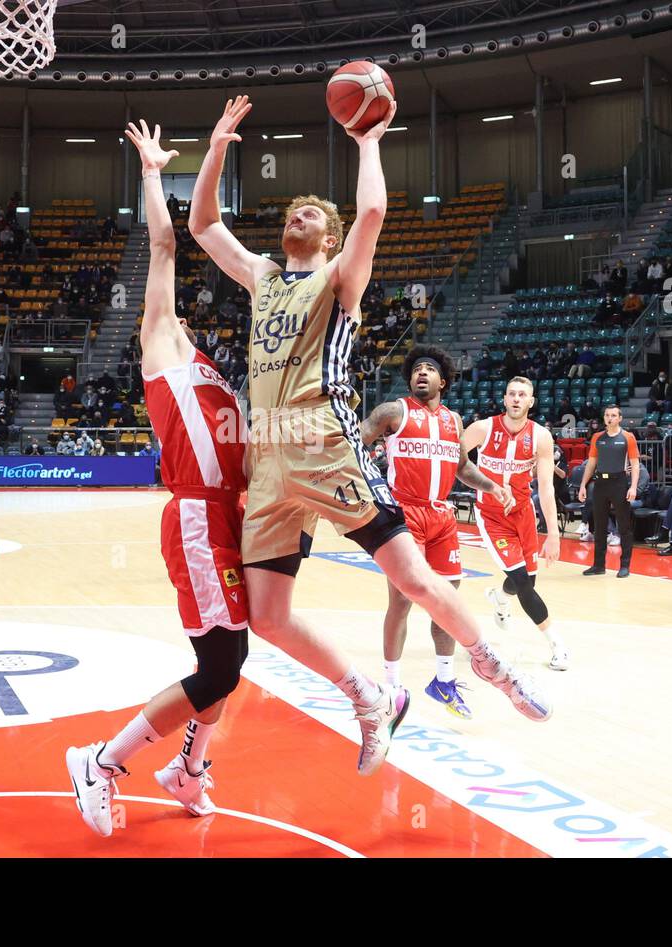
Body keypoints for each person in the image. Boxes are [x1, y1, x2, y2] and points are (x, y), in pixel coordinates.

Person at [189, 95, 551, 775]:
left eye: (315, 215)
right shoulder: (265, 277)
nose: (298, 216)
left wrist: (367, 139)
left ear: (329, 238)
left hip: (325, 442)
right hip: (267, 461)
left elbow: (375, 214)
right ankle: (368, 694)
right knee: (266, 616)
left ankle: (493, 664)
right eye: (293, 212)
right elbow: (204, 222)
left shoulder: (339, 279)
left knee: (410, 575)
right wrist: (212, 149)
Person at [66, 120, 250, 837]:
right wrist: (154, 174)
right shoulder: (159, 343)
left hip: (228, 519)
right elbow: (167, 244)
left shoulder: (210, 368)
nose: (177, 309)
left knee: (231, 658)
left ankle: (189, 769)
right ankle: (103, 762)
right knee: (217, 668)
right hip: (199, 520)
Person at [358, 345, 517, 719]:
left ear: (443, 380)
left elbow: (462, 468)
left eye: (429, 369)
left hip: (442, 516)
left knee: (447, 600)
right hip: (404, 515)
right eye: (416, 370)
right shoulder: (393, 412)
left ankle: (443, 681)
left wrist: (493, 486)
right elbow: (355, 444)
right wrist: (368, 486)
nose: (422, 373)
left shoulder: (453, 420)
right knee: (401, 601)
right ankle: (392, 688)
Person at [462, 377, 568, 671]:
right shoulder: (483, 428)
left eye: (523, 395)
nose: (517, 399)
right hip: (491, 515)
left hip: (523, 513)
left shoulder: (541, 437)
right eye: (512, 394)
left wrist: (554, 534)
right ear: (505, 399)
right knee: (522, 581)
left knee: (527, 581)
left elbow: (546, 488)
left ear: (531, 401)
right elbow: (452, 459)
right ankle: (556, 643)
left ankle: (499, 597)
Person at [576, 405, 639, 578]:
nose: (609, 418)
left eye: (613, 415)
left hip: (619, 482)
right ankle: (598, 565)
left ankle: (625, 566)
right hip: (600, 484)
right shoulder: (597, 437)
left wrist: (633, 487)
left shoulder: (628, 437)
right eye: (607, 415)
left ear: (619, 418)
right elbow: (591, 463)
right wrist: (583, 485)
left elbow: (634, 464)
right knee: (599, 525)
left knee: (624, 526)